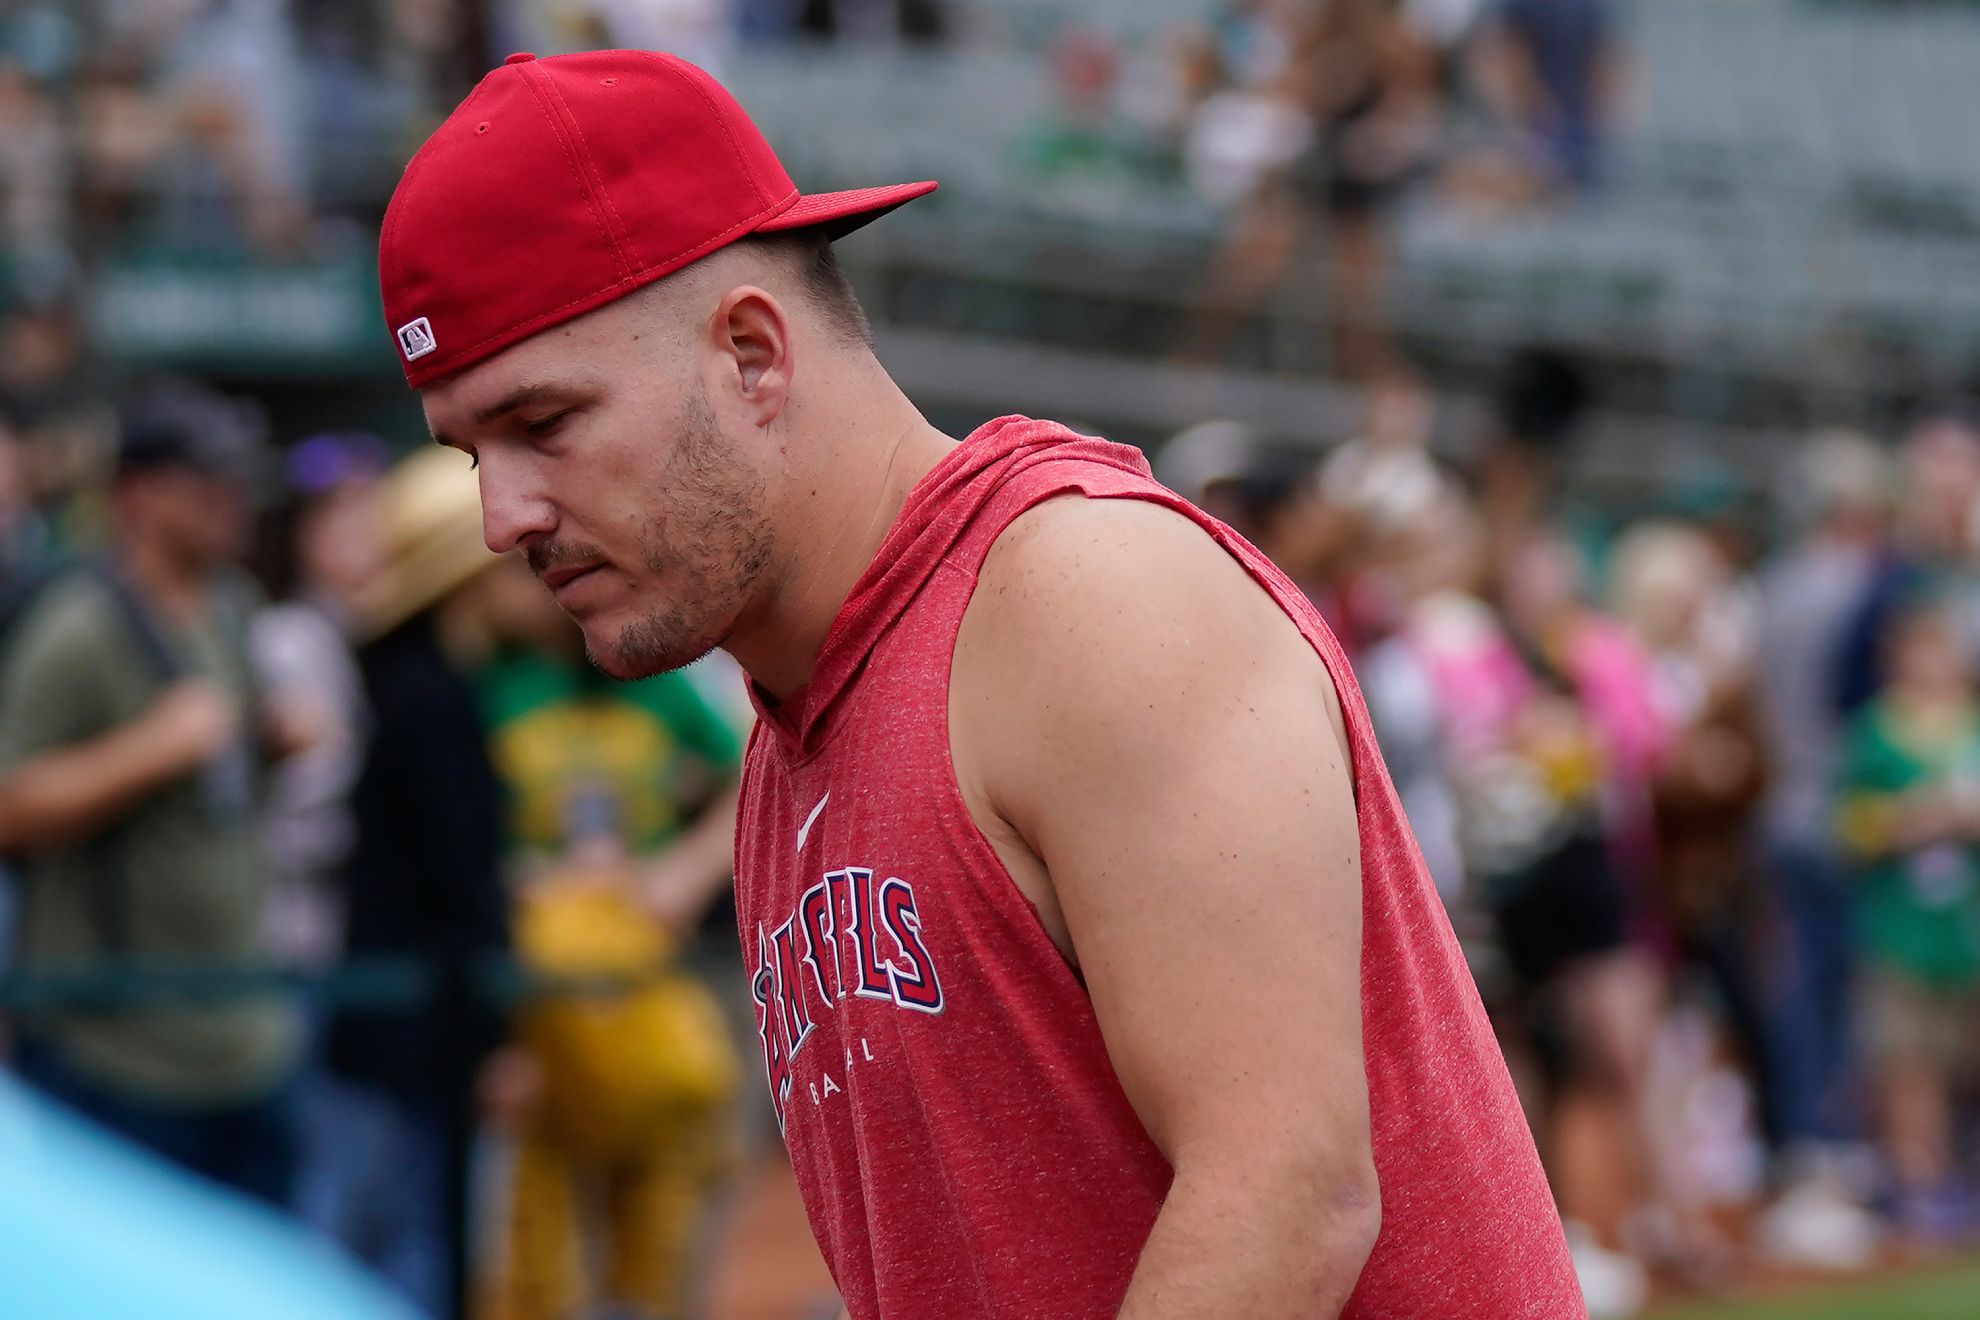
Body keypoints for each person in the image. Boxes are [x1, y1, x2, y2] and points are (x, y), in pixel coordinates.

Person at [381, 49, 1580, 1318]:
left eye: (545, 424)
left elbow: (1287, 1197)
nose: (502, 516)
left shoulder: (1077, 591)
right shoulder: (790, 739)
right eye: (471, 453)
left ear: (751, 351)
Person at [0, 382, 301, 1205]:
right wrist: (147, 751)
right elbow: (10, 807)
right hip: (117, 1050)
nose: (234, 501)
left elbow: (221, 771)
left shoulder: (232, 606)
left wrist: (270, 739)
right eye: (209, 480)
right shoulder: (79, 629)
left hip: (245, 1035)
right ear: (138, 493)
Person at [327, 446, 508, 1320]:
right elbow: (461, 882)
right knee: (405, 1247)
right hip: (413, 1037)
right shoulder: (436, 703)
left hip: (392, 1031)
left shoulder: (409, 690)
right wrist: (500, 1036)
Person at [1835, 597, 1980, 1241]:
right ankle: (1920, 1181)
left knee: (1960, 1057)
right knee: (1908, 1059)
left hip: (1966, 921)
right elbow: (1849, 830)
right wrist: (1919, 817)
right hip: (1902, 925)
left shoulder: (1970, 725)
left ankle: (1955, 1169)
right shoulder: (1876, 732)